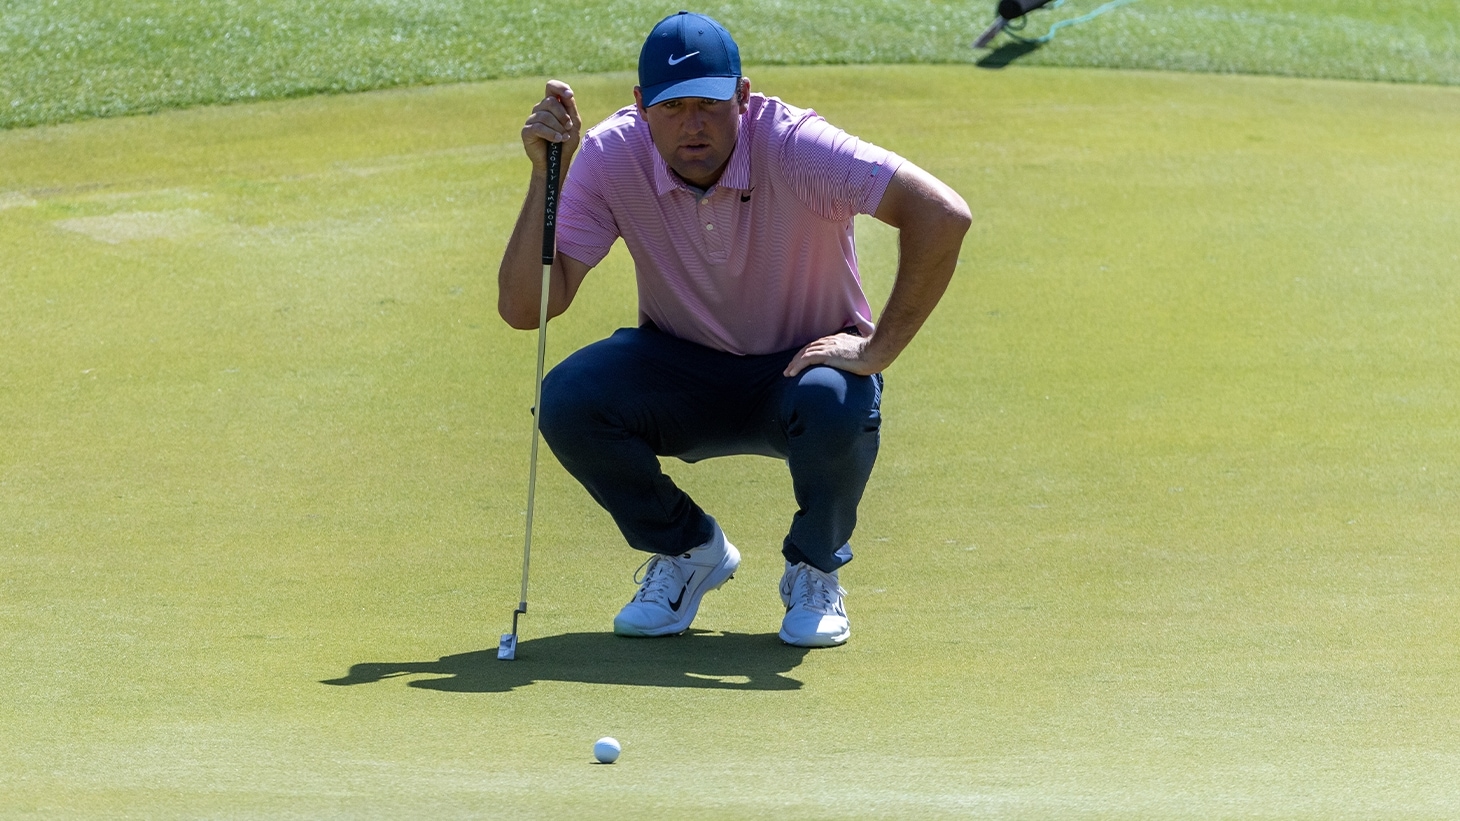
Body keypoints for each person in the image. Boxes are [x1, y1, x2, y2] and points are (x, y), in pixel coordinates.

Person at [498, 11, 970, 647]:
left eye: (709, 104)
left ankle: (814, 569)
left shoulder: (796, 145)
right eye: (672, 107)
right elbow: (526, 308)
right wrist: (545, 175)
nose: (692, 124)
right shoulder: (611, 156)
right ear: (641, 106)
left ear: (742, 97)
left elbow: (942, 214)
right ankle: (689, 551)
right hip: (681, 370)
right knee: (569, 399)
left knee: (837, 401)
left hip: (800, 372)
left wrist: (877, 348)